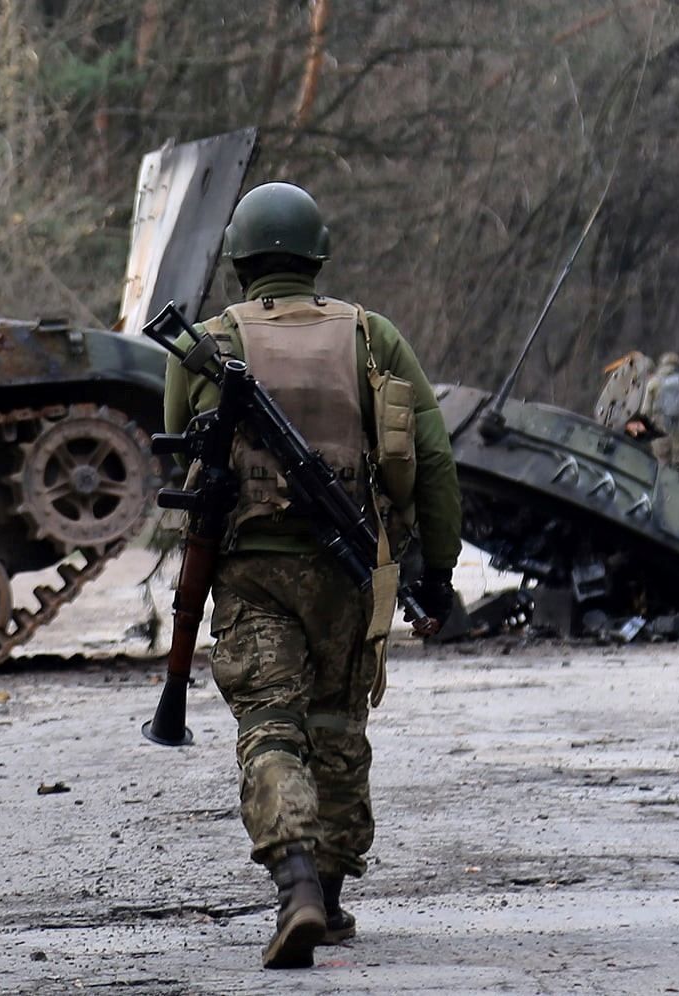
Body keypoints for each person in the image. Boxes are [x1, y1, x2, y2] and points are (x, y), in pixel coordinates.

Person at [162, 181, 461, 969]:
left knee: (270, 727)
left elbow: (183, 469)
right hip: (351, 570)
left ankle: (293, 881)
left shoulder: (205, 345)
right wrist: (439, 568)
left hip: (252, 572)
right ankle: (325, 899)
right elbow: (431, 461)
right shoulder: (373, 337)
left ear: (239, 260)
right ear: (318, 256)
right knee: (336, 726)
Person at [640, 351, 679, 466]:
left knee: (661, 460)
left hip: (658, 426)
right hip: (677, 425)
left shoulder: (654, 382)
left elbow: (645, 410)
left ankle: (662, 482)